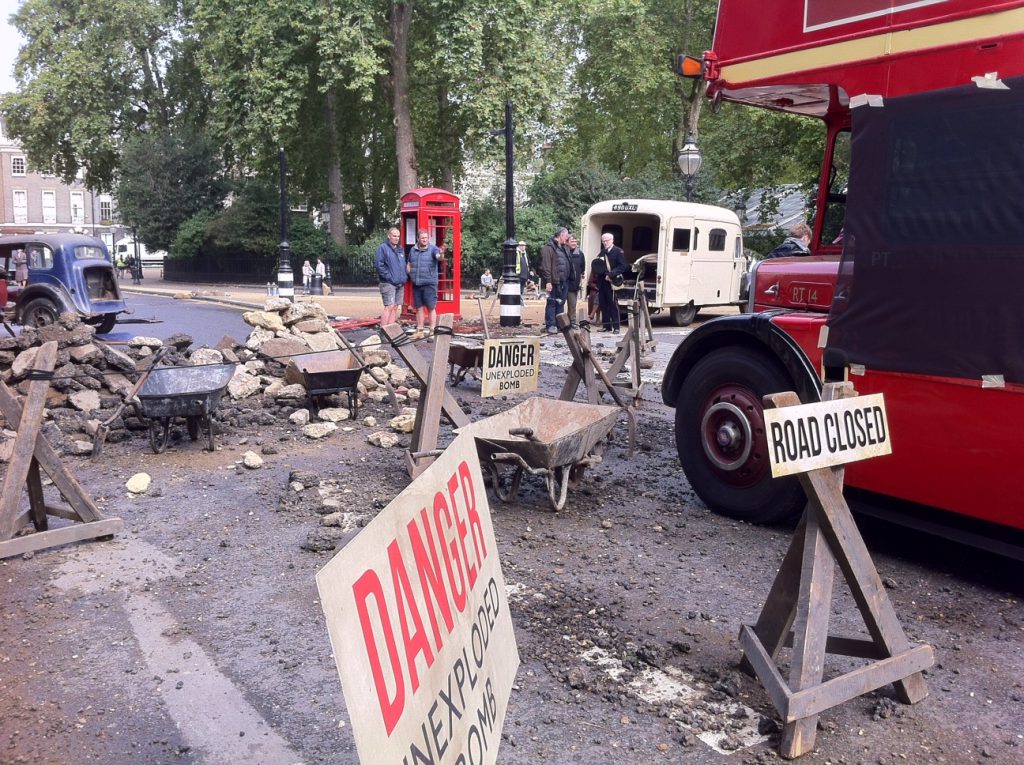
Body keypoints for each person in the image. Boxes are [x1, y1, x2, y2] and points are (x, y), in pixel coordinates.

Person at [406, 228, 443, 338]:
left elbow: (439, 257)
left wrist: (441, 254)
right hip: (416, 284)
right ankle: (420, 331)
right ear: (418, 238)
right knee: (419, 308)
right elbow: (409, 263)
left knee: (431, 307)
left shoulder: (433, 249)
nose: (424, 240)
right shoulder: (413, 250)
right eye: (422, 238)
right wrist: (410, 274)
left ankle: (432, 331)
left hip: (429, 283)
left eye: (426, 238)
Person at [593, 232, 627, 333]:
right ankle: (606, 326)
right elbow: (598, 265)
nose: (605, 242)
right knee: (603, 304)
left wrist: (611, 274)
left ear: (612, 240)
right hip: (602, 281)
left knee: (612, 304)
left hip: (612, 281)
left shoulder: (618, 251)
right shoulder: (602, 252)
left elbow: (622, 266)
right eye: (603, 241)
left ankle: (616, 327)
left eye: (607, 241)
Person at [539, 227, 571, 334]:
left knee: (561, 303)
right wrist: (548, 281)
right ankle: (550, 325)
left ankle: (559, 325)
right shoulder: (548, 248)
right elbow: (546, 266)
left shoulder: (564, 247)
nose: (567, 238)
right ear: (561, 235)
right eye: (566, 236)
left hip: (564, 281)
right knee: (552, 302)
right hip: (553, 281)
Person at [374, 226, 407, 326]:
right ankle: (384, 331)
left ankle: (391, 331)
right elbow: (379, 265)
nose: (396, 238)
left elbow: (403, 265)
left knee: (395, 306)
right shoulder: (383, 248)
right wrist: (389, 277)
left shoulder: (400, 249)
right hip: (388, 283)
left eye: (398, 236)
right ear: (389, 236)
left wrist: (404, 277)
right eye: (394, 236)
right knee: (389, 306)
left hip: (400, 283)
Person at [564, 234, 586, 329]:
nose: (574, 243)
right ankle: (559, 323)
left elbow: (582, 269)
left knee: (572, 305)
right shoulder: (563, 252)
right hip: (563, 282)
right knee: (559, 304)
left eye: (575, 241)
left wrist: (580, 280)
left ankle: (572, 322)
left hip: (574, 283)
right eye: (572, 241)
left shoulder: (580, 254)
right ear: (567, 242)